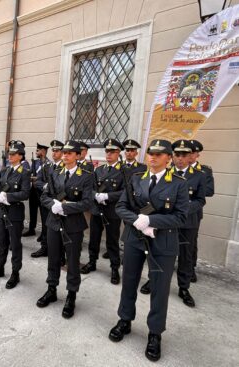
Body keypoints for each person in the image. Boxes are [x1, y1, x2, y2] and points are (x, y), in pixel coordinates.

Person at [108, 139, 189, 362]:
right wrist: (138, 221)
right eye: (150, 152)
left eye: (159, 153)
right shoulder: (136, 179)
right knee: (129, 281)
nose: (152, 157)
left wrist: (151, 221)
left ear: (169, 158)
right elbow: (121, 206)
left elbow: (181, 216)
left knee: (160, 289)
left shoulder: (179, 183)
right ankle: (125, 320)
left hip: (163, 243)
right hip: (135, 238)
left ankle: (155, 333)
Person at [36, 140, 95, 318]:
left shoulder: (86, 175)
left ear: (78, 155)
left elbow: (87, 202)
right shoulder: (55, 172)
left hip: (73, 225)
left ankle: (71, 295)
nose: (65, 155)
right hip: (54, 222)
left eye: (70, 153)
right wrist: (52, 204)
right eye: (64, 152)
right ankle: (51, 289)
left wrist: (65, 208)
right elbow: (45, 196)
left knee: (72, 261)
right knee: (53, 258)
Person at [0, 141, 30, 289]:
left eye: (13, 154)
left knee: (15, 244)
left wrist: (8, 197)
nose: (10, 156)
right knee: (1, 242)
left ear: (20, 156)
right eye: (9, 154)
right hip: (1, 211)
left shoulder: (24, 172)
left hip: (14, 213)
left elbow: (25, 193)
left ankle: (15, 273)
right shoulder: (4, 170)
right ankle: (0, 267)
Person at [81, 139, 125, 285]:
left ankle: (114, 268)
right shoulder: (99, 170)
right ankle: (92, 262)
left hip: (112, 211)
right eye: (107, 151)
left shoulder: (123, 171)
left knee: (112, 241)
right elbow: (90, 188)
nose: (109, 154)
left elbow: (125, 192)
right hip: (97, 209)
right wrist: (95, 195)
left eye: (112, 152)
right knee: (94, 238)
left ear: (118, 153)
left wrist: (108, 196)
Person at [33, 139, 65, 259]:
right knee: (46, 225)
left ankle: (61, 253)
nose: (54, 153)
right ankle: (45, 247)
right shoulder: (47, 166)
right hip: (47, 201)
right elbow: (38, 182)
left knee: (60, 227)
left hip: (59, 202)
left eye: (57, 151)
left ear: (62, 152)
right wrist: (45, 186)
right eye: (53, 151)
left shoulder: (65, 167)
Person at [189, 139, 214, 282]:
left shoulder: (204, 171)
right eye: (188, 152)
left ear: (198, 155)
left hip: (193, 211)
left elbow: (209, 191)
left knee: (191, 241)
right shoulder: (173, 168)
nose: (190, 155)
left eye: (193, 153)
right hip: (174, 211)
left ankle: (190, 268)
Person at [23, 143, 49, 239]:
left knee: (43, 212)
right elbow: (31, 173)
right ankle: (31, 229)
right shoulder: (35, 162)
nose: (37, 152)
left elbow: (47, 178)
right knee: (32, 210)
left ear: (43, 151)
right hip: (33, 190)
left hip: (42, 191)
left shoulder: (48, 163)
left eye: (38, 150)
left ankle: (44, 232)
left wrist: (36, 179)